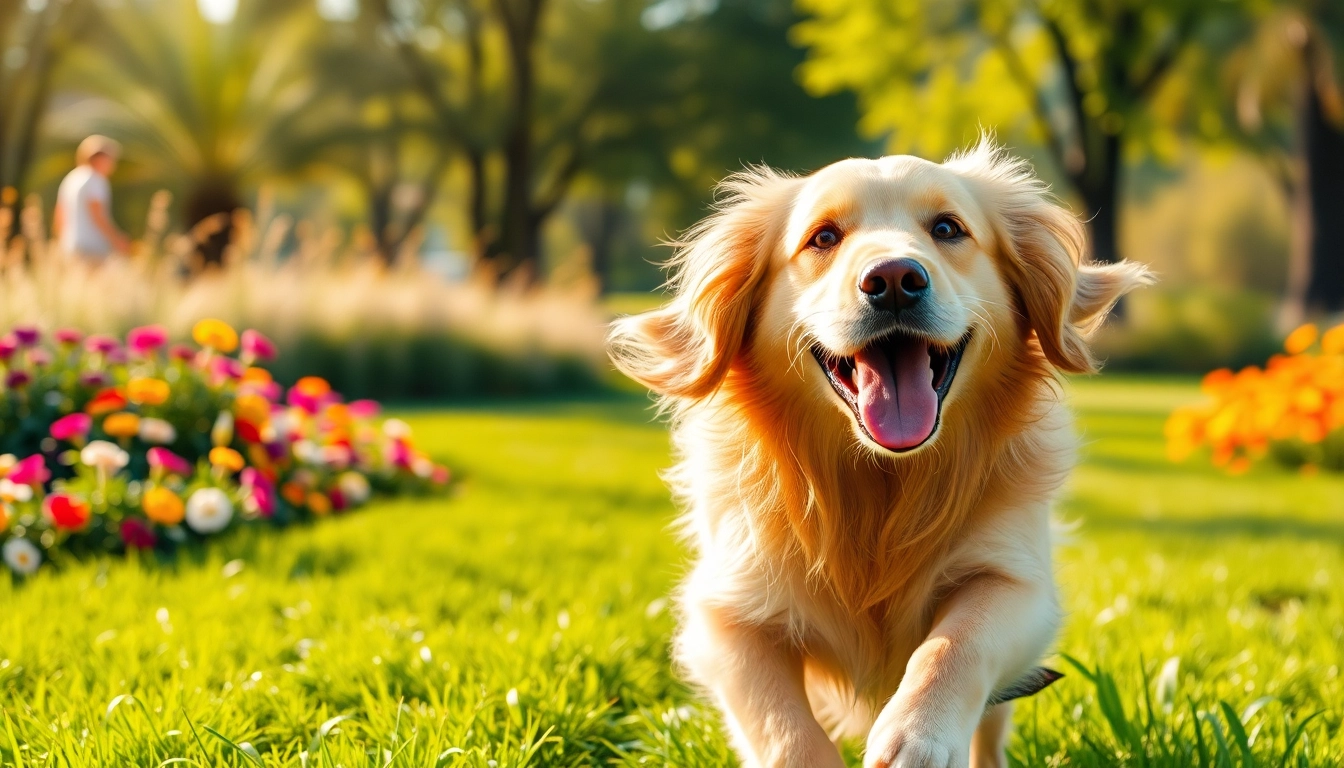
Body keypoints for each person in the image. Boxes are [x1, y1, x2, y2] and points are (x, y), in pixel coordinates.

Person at [53, 135, 130, 260]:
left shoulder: (71, 178)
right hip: (93, 248)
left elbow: (59, 213)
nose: (113, 164)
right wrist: (117, 239)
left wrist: (59, 241)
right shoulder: (96, 180)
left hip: (70, 245)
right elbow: (97, 215)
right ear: (101, 158)